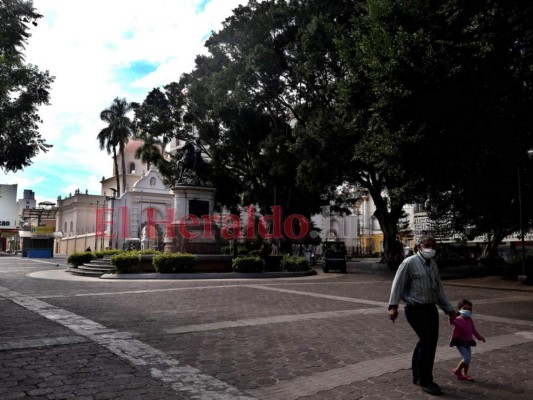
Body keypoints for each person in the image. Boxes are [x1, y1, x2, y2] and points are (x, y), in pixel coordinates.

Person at [388, 235, 457, 396]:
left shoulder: (433, 265)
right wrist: (393, 307)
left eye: (433, 246)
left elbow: (439, 290)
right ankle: (425, 380)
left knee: (428, 343)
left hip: (430, 308)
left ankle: (418, 376)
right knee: (427, 341)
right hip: (415, 309)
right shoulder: (409, 263)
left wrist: (449, 309)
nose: (430, 248)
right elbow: (397, 284)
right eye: (427, 245)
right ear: (419, 246)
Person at [449, 299, 486, 382]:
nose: (467, 310)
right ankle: (457, 371)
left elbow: (473, 330)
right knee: (466, 358)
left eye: (469, 309)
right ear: (460, 309)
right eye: (465, 308)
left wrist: (480, 337)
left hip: (468, 342)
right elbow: (452, 321)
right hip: (460, 342)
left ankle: (464, 374)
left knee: (468, 360)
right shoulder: (457, 319)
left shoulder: (469, 319)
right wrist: (451, 316)